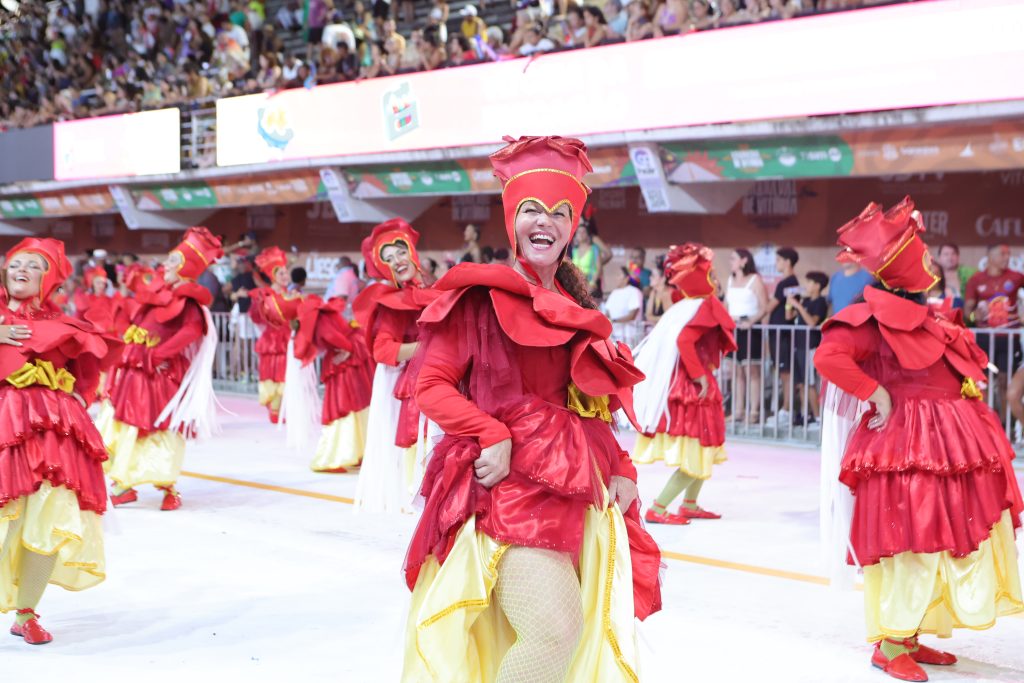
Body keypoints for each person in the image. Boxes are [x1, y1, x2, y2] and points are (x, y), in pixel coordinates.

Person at [402, 135, 661, 681]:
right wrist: (490, 432)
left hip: (573, 486)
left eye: (560, 214)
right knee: (553, 631)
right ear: (510, 218)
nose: (545, 222)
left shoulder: (575, 306)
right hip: (506, 489)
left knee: (566, 633)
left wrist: (622, 467)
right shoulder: (477, 297)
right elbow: (432, 385)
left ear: (573, 228)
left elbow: (590, 407)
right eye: (532, 211)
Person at [815, 197, 1023, 682]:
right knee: (910, 539)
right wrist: (876, 393)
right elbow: (829, 357)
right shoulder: (871, 317)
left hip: (947, 443)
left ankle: (907, 635)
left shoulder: (929, 316)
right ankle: (889, 645)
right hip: (906, 445)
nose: (929, 263)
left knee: (940, 537)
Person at [0, 238, 122, 644]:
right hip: (4, 428)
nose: (21, 269)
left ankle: (27, 613)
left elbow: (88, 377)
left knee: (47, 521)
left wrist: (76, 398)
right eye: (15, 263)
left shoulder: (67, 326)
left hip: (54, 436)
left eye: (33, 265)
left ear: (47, 279)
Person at [97, 228, 224, 512]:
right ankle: (124, 484)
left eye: (171, 260)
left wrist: (158, 354)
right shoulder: (160, 292)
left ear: (184, 267)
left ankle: (167, 484)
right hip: (137, 368)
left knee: (159, 426)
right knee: (128, 424)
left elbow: (192, 330)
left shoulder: (188, 300)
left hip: (159, 373)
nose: (164, 265)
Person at [632, 243, 737, 524]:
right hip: (694, 386)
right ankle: (659, 507)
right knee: (699, 446)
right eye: (712, 275)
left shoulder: (687, 306)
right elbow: (685, 341)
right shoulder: (701, 306)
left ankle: (689, 503)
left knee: (704, 444)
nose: (716, 280)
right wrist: (700, 376)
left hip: (694, 383)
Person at [351, 219, 439, 513]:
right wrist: (425, 348)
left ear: (412, 252)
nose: (397, 261)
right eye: (387, 260)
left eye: (400, 252)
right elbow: (382, 349)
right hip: (416, 383)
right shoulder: (392, 303)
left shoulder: (438, 289)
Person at [294, 294, 375, 473]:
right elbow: (330, 335)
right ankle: (335, 456)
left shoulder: (317, 316)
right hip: (348, 361)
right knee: (349, 406)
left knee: (351, 405)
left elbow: (329, 336)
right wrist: (348, 347)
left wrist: (348, 348)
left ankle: (352, 452)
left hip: (348, 360)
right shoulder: (322, 314)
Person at [248, 247, 304, 423]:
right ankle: (275, 408)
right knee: (272, 374)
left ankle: (283, 409)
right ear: (272, 275)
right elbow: (255, 316)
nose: (285, 276)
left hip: (288, 339)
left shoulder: (292, 294)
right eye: (281, 273)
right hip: (272, 340)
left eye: (286, 272)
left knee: (286, 375)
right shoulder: (265, 295)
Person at [725, 248, 769, 424]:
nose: (730, 261)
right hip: (733, 326)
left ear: (744, 261)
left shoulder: (754, 280)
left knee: (752, 371)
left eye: (733, 258)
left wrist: (751, 322)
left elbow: (764, 306)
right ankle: (738, 410)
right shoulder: (730, 280)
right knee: (736, 372)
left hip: (750, 327)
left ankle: (754, 411)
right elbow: (726, 305)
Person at [786, 270, 829, 425]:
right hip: (799, 346)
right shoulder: (804, 301)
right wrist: (790, 304)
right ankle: (806, 415)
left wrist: (799, 306)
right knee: (801, 383)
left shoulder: (820, 302)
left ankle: (817, 417)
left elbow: (812, 322)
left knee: (810, 382)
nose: (807, 285)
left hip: (810, 346)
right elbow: (789, 317)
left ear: (817, 286)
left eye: (810, 282)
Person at [766, 246, 800, 424]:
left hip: (783, 334)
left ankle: (787, 410)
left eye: (779, 260)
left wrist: (754, 319)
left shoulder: (787, 282)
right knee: (783, 372)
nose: (776, 264)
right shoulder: (790, 282)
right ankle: (784, 409)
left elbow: (770, 307)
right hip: (778, 333)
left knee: (786, 373)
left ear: (787, 262)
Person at [602, 266, 644, 346]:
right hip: (613, 336)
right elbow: (607, 313)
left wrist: (613, 321)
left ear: (626, 278)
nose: (616, 278)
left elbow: (632, 316)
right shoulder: (614, 293)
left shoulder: (634, 291)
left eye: (618, 275)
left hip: (629, 337)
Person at [570, 221, 610, 299]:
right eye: (578, 232)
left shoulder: (594, 249)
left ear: (588, 235)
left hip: (591, 285)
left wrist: (592, 283)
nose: (581, 234)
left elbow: (598, 268)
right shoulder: (574, 250)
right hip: (577, 285)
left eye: (583, 232)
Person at [936, 243, 973, 309]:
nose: (950, 257)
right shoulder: (933, 277)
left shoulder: (968, 274)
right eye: (946, 254)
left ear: (958, 257)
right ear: (939, 258)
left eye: (953, 254)